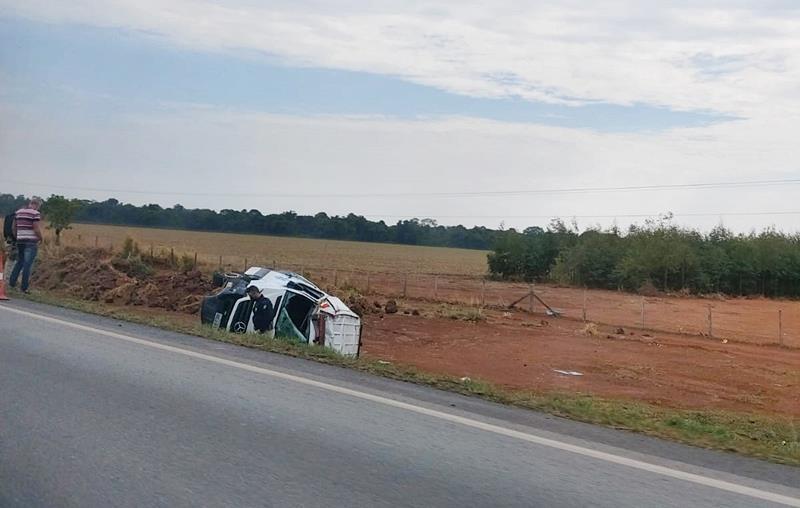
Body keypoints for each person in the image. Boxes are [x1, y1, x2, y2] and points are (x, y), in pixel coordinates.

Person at [9, 197, 44, 294]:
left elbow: (13, 227)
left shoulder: (18, 212)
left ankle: (12, 283)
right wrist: (41, 238)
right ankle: (24, 288)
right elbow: (36, 228)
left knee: (19, 262)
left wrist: (18, 236)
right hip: (31, 241)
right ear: (37, 205)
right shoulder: (35, 214)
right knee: (27, 265)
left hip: (20, 241)